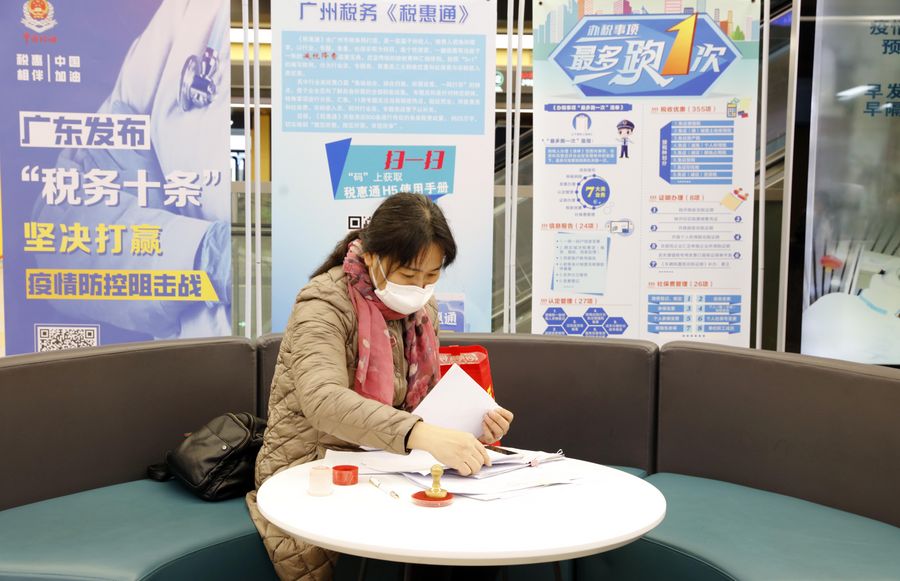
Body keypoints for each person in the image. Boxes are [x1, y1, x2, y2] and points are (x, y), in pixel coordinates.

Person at [246, 193, 514, 581]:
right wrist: (422, 434)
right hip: (315, 466)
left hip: (393, 462)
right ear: (372, 257)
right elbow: (323, 401)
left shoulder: (422, 309)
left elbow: (422, 404)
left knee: (475, 537)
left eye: (432, 276)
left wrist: (472, 426)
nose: (419, 287)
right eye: (408, 275)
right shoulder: (323, 303)